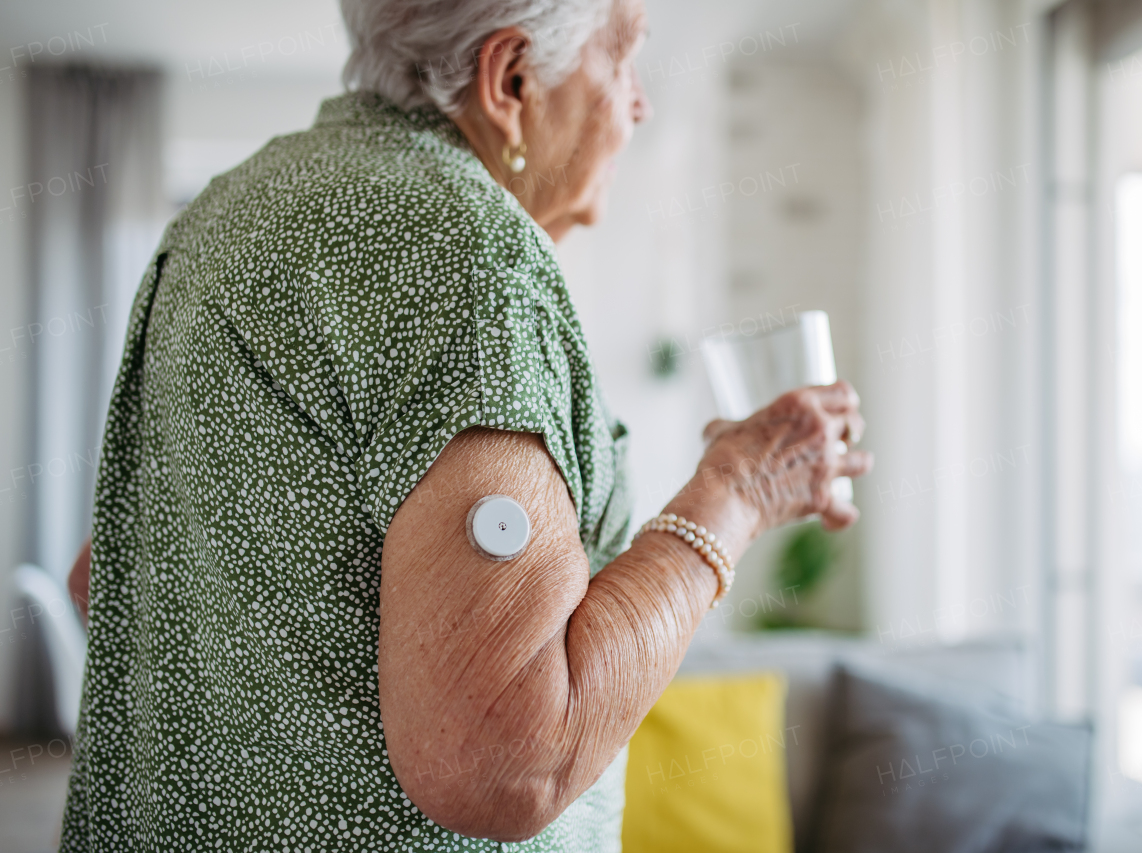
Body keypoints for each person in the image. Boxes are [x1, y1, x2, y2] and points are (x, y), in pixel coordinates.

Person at [61, 0, 873, 849]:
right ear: (511, 80)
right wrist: (737, 490)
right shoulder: (465, 249)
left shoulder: (226, 212)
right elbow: (507, 763)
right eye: (623, 58)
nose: (641, 104)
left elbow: (103, 579)